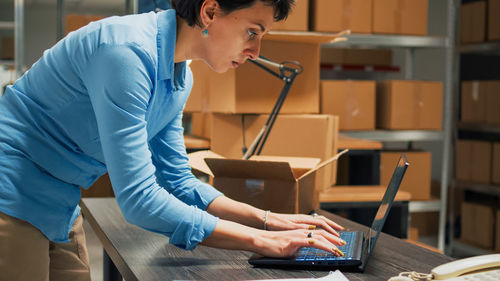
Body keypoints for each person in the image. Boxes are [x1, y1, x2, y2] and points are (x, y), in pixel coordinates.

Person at [0, 0, 345, 280]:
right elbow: (138, 199)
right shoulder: (127, 53)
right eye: (252, 32)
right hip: (11, 186)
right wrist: (263, 241)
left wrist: (268, 219)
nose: (256, 50)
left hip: (59, 197)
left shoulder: (179, 77)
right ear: (209, 12)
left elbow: (178, 180)